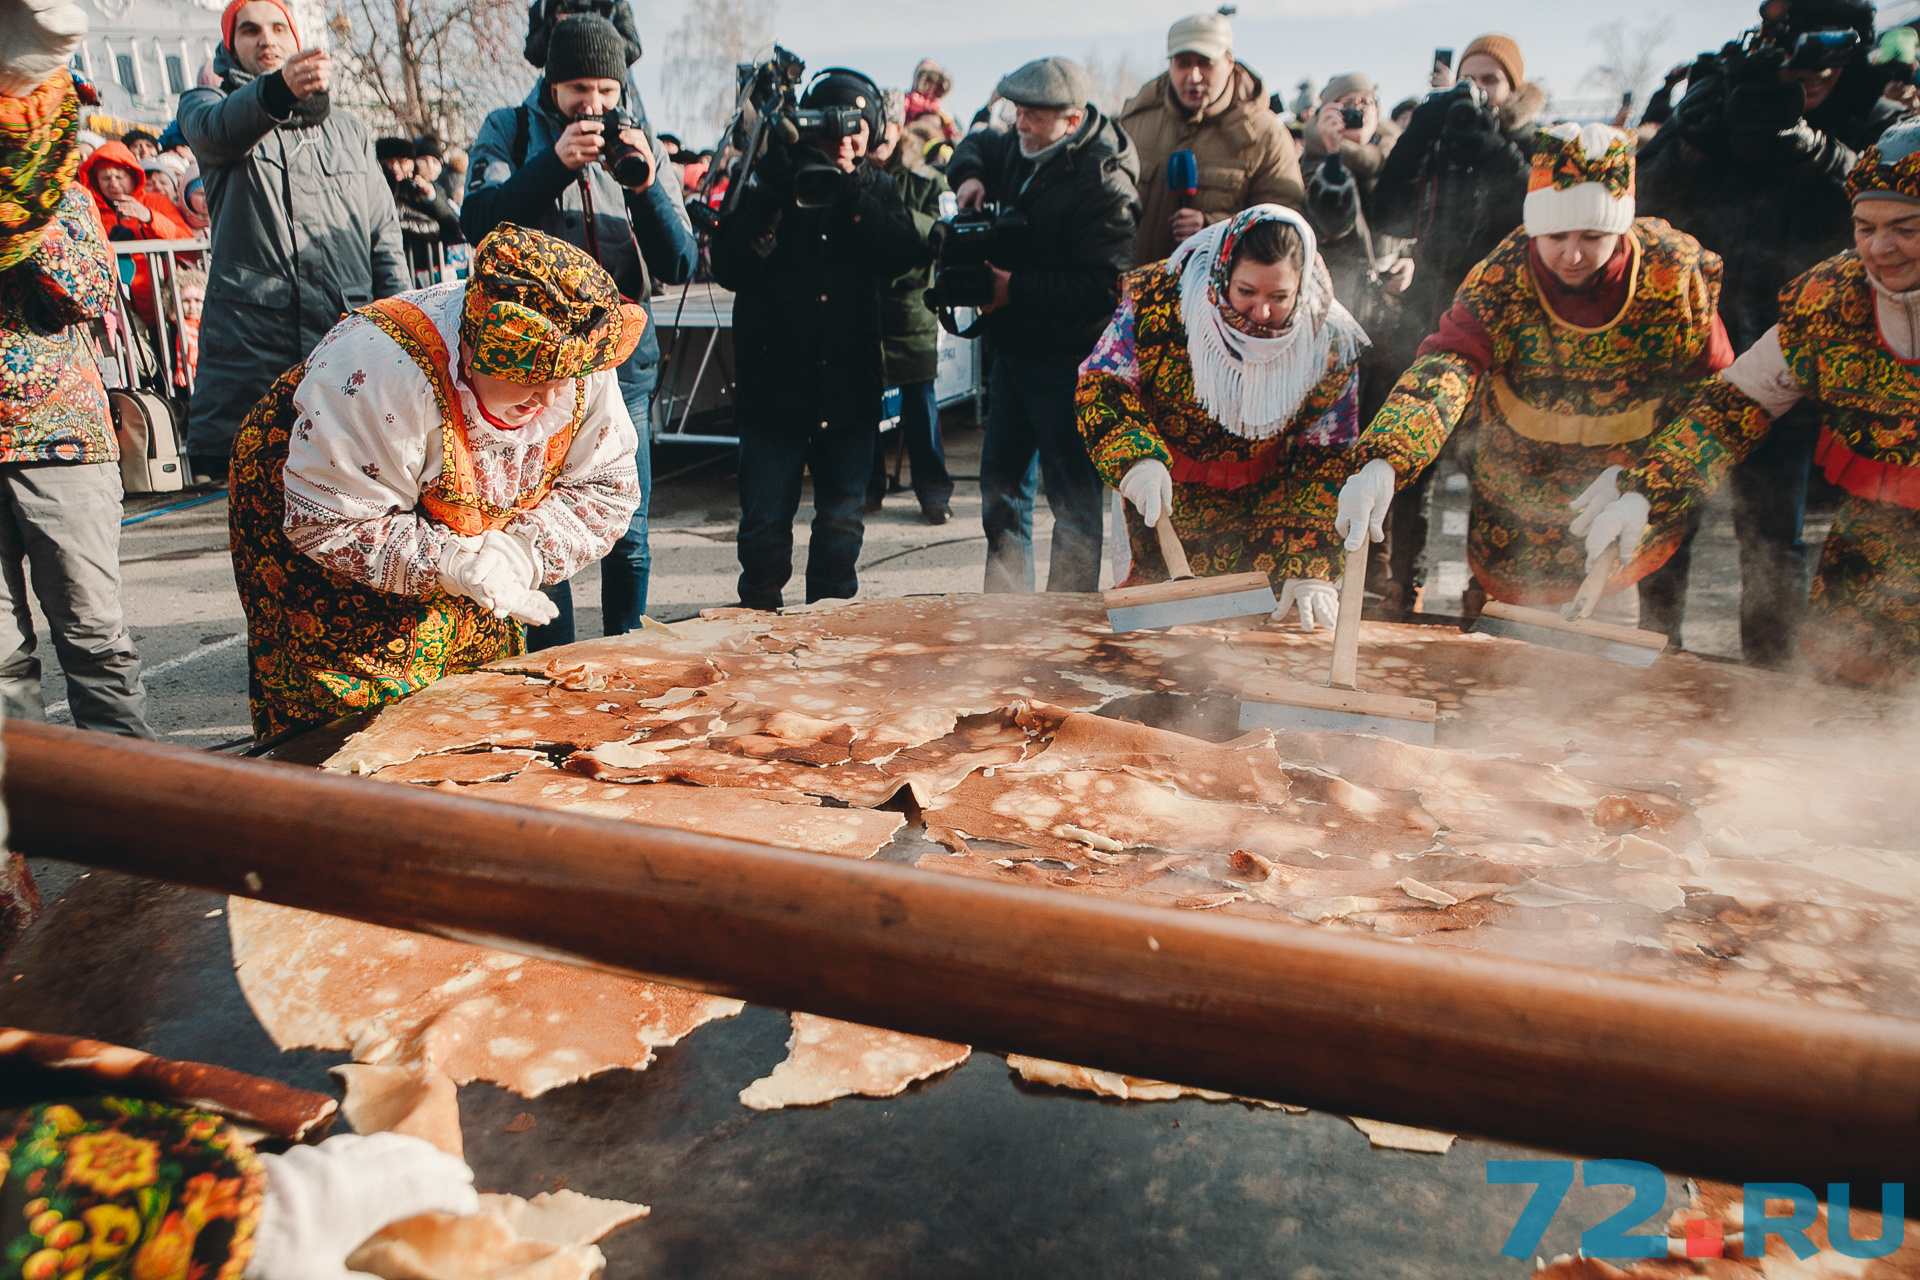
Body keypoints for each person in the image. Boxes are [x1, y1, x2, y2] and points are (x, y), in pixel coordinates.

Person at [227, 225, 644, 741]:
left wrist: (518, 553)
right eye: (532, 383)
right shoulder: (382, 372)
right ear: (471, 354)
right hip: (333, 506)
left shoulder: (580, 354)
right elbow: (329, 521)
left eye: (563, 382)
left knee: (477, 697)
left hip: (453, 517)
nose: (549, 401)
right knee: (350, 716)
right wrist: (451, 563)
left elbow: (605, 486)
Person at [1336, 124, 1733, 620]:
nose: (1571, 254)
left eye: (1593, 236)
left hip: (1625, 489)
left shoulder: (1672, 274)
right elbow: (1450, 364)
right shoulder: (1503, 277)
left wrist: (1654, 481)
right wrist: (1388, 456)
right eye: (1554, 235)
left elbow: (1717, 398)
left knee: (1610, 650)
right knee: (1509, 647)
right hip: (1516, 491)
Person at [1579, 120, 1920, 688]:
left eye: (1906, 228)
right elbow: (1733, 406)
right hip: (1868, 549)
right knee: (1847, 702)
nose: (1880, 248)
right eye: (1865, 227)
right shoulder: (1828, 302)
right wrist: (1647, 491)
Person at [1630, 0, 1897, 666]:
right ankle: (1649, 657)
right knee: (1663, 519)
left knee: (1773, 536)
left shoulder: (1878, 113)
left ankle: (1769, 682)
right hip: (1698, 346)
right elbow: (1647, 209)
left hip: (1801, 350)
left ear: (1856, 46)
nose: (1811, 73)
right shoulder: (1724, 92)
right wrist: (1685, 144)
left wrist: (1817, 152)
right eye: (1797, 50)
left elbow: (1894, 213)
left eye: (1830, 52)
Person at [464, 14, 696, 639]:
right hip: (534, 367)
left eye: (607, 91)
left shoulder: (640, 140)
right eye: (579, 91)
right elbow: (478, 221)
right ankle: (553, 664)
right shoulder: (509, 130)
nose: (593, 105)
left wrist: (646, 187)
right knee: (538, 520)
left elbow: (680, 262)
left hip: (626, 367)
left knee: (629, 527)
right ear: (553, 82)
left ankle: (629, 652)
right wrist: (553, 164)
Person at [1079, 205, 1370, 629]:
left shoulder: (1326, 338)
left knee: (1251, 645)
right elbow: (1104, 383)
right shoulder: (1160, 299)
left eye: (1279, 297)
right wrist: (1134, 458)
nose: (1261, 313)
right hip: (1163, 492)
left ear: (1302, 287)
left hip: (1270, 504)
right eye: (1246, 291)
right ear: (1222, 273)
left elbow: (1327, 452)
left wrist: (1313, 562)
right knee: (1154, 648)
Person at [709, 66, 921, 610]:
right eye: (832, 128)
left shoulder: (874, 187)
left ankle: (832, 633)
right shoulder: (768, 178)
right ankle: (757, 634)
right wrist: (778, 184)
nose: (846, 141)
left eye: (857, 129)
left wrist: (848, 192)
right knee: (762, 532)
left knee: (842, 528)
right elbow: (729, 264)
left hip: (847, 390)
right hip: (773, 391)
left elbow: (903, 254)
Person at [177, 0, 406, 483]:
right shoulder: (206, 106)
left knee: (356, 510)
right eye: (250, 30)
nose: (267, 39)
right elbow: (219, 133)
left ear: (297, 38)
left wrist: (404, 333)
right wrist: (277, 91)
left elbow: (383, 236)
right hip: (252, 351)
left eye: (279, 27)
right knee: (262, 523)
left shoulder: (348, 128)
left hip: (345, 339)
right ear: (230, 44)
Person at [0, 66, 156, 738]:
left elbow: (86, 295)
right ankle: (17, 833)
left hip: (56, 441)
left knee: (94, 639)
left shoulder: (59, 195)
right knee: (2, 661)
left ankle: (136, 826)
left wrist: (19, 219)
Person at [947, 56, 1141, 594]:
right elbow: (976, 143)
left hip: (1071, 363)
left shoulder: (1106, 185)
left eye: (1034, 115)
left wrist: (1015, 288)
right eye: (1018, 111)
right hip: (1012, 354)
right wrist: (969, 178)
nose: (1020, 124)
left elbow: (1105, 286)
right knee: (1001, 493)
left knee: (1074, 503)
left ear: (1072, 121)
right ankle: (1006, 617)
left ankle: (1068, 624)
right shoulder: (1017, 143)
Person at [1370, 32, 1546, 608]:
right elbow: (1387, 208)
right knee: (1414, 454)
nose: (1478, 91)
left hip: (1508, 322)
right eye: (1467, 79)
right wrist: (1425, 124)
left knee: (1493, 463)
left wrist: (1492, 143)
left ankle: (1485, 591)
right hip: (1433, 309)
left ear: (1513, 88)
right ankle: (1404, 582)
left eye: (1490, 79)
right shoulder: (1438, 144)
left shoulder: (1527, 140)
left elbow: (1537, 209)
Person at [1119, 12, 1303, 267]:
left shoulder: (1265, 135)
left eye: (1205, 63)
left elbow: (1282, 227)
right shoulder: (1134, 123)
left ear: (1229, 62)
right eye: (1183, 63)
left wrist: (1214, 228)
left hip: (1215, 298)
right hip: (1135, 293)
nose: (1193, 76)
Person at [867, 88, 954, 524]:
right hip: (864, 308)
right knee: (863, 409)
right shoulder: (851, 173)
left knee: (920, 408)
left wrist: (895, 218)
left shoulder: (925, 178)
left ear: (900, 127)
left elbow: (944, 228)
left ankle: (934, 493)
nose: (878, 136)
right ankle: (867, 489)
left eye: (886, 125)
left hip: (910, 306)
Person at [77, 139, 191, 329]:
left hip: (167, 306)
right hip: (120, 312)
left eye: (119, 177)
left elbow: (187, 245)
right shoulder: (90, 211)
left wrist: (149, 217)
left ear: (132, 175)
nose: (113, 184)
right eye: (105, 178)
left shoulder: (156, 202)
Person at [378, 135, 463, 285]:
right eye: (389, 163)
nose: (395, 168)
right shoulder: (379, 192)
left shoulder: (426, 188)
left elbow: (453, 227)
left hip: (432, 274)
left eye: (401, 162)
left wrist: (431, 198)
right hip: (396, 273)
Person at [905, 58, 959, 142]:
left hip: (934, 143)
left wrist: (954, 135)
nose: (932, 84)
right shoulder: (908, 99)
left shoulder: (936, 105)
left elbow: (950, 130)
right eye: (928, 79)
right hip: (913, 140)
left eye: (936, 81)